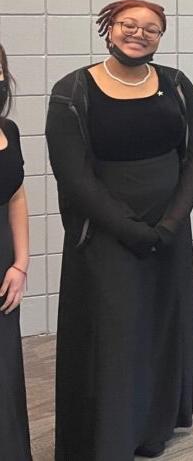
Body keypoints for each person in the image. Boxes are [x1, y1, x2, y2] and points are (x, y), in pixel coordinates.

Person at [47, 0, 193, 460]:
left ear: (161, 36)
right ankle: (113, 434)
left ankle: (155, 426)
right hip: (104, 232)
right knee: (115, 333)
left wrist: (171, 223)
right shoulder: (72, 89)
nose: (138, 34)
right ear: (109, 29)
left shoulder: (177, 84)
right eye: (128, 25)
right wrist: (131, 230)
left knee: (159, 324)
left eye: (150, 29)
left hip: (168, 229)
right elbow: (73, 176)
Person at [0, 43, 31, 461]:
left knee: (4, 369)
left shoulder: (8, 130)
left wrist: (20, 263)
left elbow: (17, 197)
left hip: (4, 259)